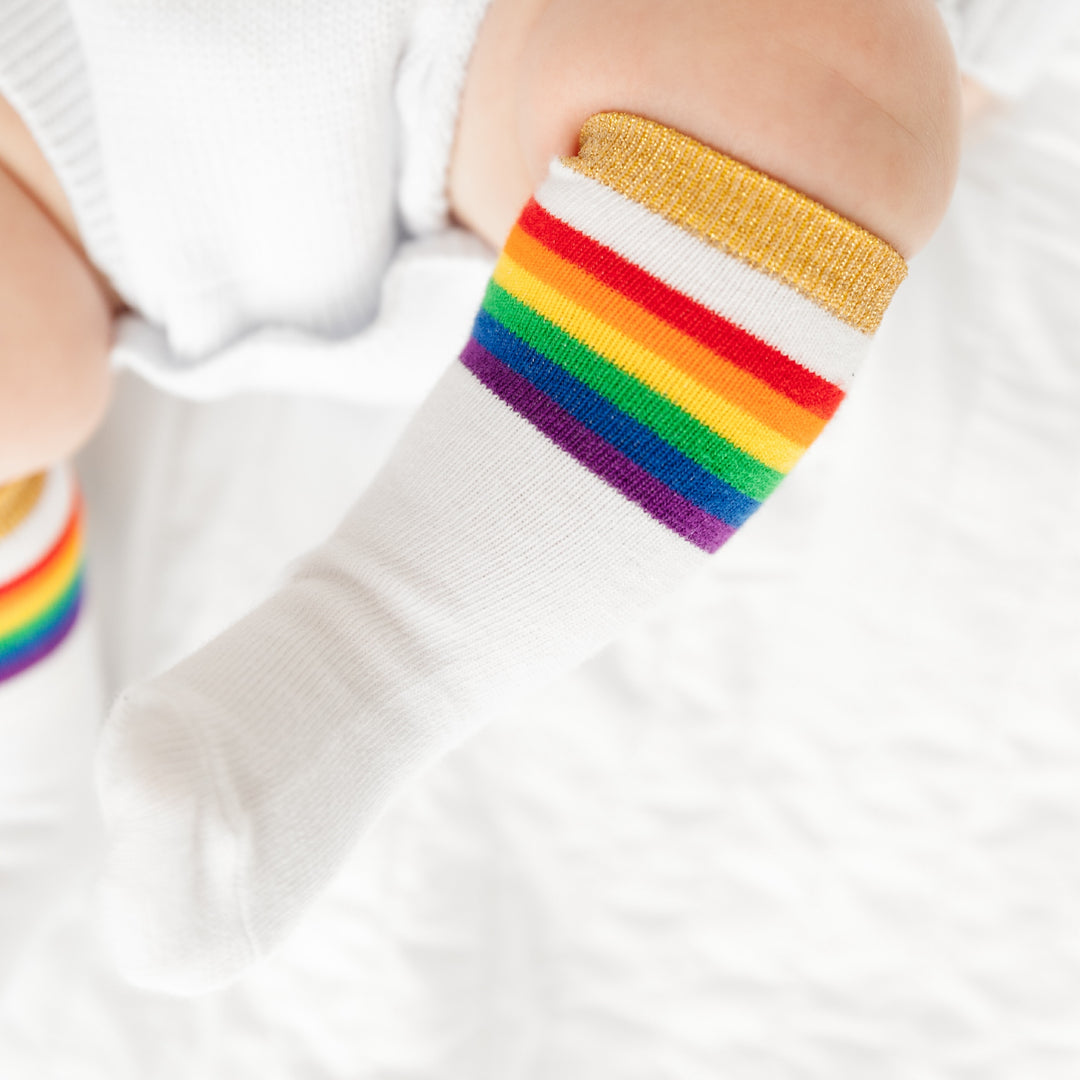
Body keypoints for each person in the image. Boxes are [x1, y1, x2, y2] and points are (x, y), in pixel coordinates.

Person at [0, 0, 961, 994]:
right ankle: (29, 800)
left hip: (498, 61)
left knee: (811, 87)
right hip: (65, 121)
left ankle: (371, 653)